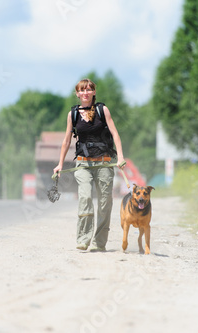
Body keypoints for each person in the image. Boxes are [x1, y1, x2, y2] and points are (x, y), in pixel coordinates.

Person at [53, 78, 126, 252]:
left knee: (104, 203)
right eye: (82, 90)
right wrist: (60, 164)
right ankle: (83, 239)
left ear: (93, 92)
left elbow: (115, 134)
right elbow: (66, 140)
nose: (85, 93)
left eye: (88, 89)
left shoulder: (103, 110)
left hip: (104, 162)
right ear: (77, 94)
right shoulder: (73, 114)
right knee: (85, 198)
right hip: (83, 164)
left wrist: (121, 156)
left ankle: (99, 243)